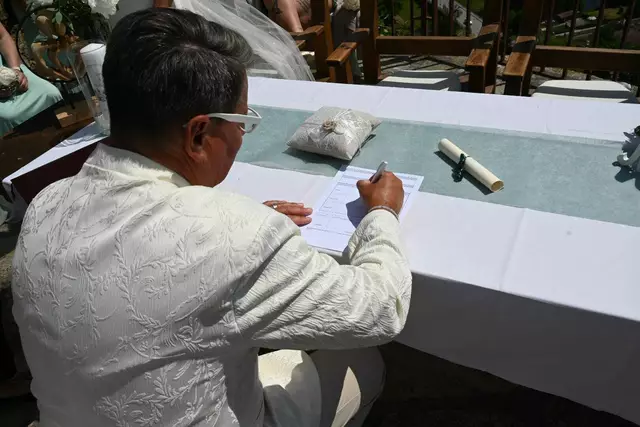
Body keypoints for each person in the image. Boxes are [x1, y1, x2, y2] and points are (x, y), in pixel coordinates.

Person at [11, 8, 412, 427]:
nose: (241, 137)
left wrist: (234, 224)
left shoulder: (44, 206)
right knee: (363, 361)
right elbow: (382, 309)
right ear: (199, 134)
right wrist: (382, 212)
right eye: (242, 122)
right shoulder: (235, 234)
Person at [0, 21, 61, 135]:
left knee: (50, 93)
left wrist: (16, 69)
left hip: (5, 69)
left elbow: (2, 37)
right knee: (10, 116)